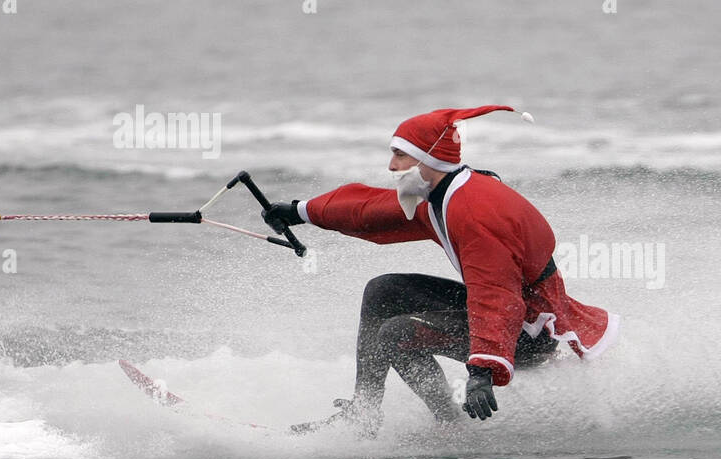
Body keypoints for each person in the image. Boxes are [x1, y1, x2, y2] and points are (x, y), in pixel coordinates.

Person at [261, 106, 620, 436]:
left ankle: (450, 428)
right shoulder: (441, 193)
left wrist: (482, 369)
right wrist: (299, 212)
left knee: (396, 333)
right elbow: (371, 209)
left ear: (429, 160)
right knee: (383, 291)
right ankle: (364, 411)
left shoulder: (475, 212)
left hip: (529, 331)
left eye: (400, 155)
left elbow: (495, 292)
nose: (391, 165)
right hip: (507, 310)